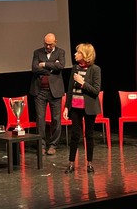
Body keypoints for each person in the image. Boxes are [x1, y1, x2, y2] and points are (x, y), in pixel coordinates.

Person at [63, 43, 101, 174]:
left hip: (89, 107)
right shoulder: (75, 68)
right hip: (75, 107)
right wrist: (66, 107)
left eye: (77, 52)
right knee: (74, 135)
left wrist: (83, 83)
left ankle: (89, 164)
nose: (75, 54)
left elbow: (96, 91)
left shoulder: (95, 69)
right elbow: (69, 90)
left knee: (89, 135)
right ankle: (71, 163)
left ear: (85, 55)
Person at [29, 32, 65, 155]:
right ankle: (42, 145)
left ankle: (53, 145)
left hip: (55, 91)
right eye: (46, 44)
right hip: (40, 91)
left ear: (55, 42)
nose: (48, 46)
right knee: (40, 119)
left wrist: (44, 64)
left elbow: (60, 66)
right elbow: (34, 68)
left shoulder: (60, 52)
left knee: (56, 119)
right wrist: (51, 68)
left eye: (50, 44)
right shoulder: (37, 52)